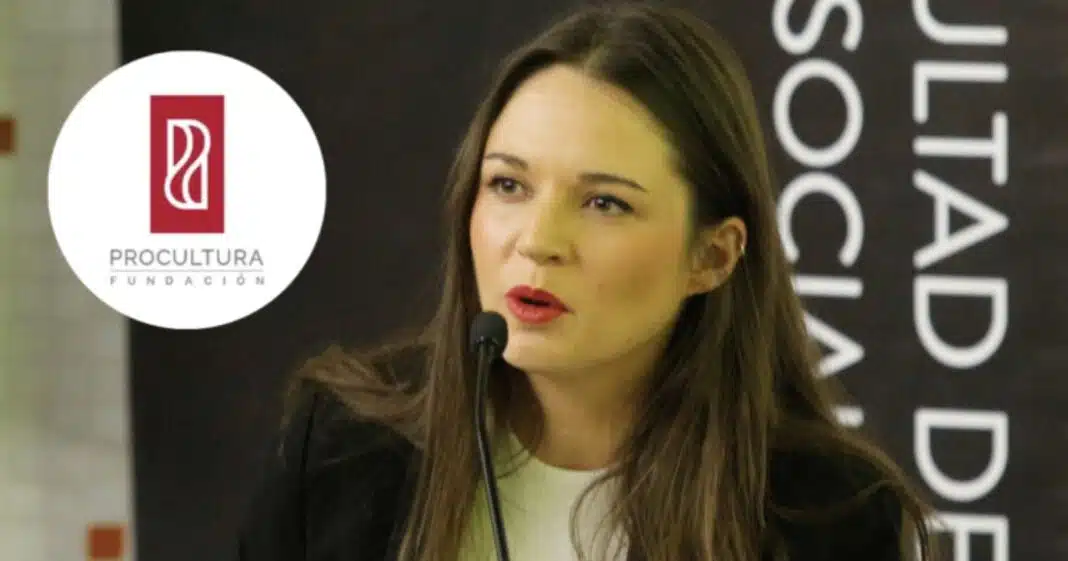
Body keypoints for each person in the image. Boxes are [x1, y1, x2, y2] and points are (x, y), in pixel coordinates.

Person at [236, 2, 937, 561]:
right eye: (508, 184)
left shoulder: (830, 516)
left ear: (713, 256)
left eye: (605, 202)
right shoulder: (340, 449)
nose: (538, 241)